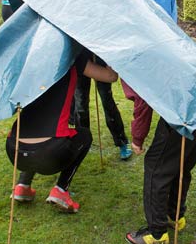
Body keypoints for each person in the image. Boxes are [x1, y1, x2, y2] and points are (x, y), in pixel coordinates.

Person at [6, 48, 118, 213]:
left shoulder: (29, 57)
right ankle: (60, 189)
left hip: (14, 150)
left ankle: (22, 185)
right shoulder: (71, 57)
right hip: (49, 154)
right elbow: (111, 76)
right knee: (84, 136)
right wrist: (107, 52)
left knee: (35, 131)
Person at [126, 119, 196, 244]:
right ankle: (175, 215)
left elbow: (143, 103)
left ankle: (157, 235)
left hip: (179, 116)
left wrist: (138, 137)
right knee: (181, 163)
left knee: (156, 169)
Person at [122, 0, 177, 155]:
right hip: (150, 38)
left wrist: (172, 31)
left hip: (164, 38)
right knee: (144, 98)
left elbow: (173, 14)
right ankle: (138, 138)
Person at [70, 56, 132, 160]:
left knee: (107, 101)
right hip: (80, 58)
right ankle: (83, 142)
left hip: (100, 58)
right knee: (81, 106)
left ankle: (121, 141)